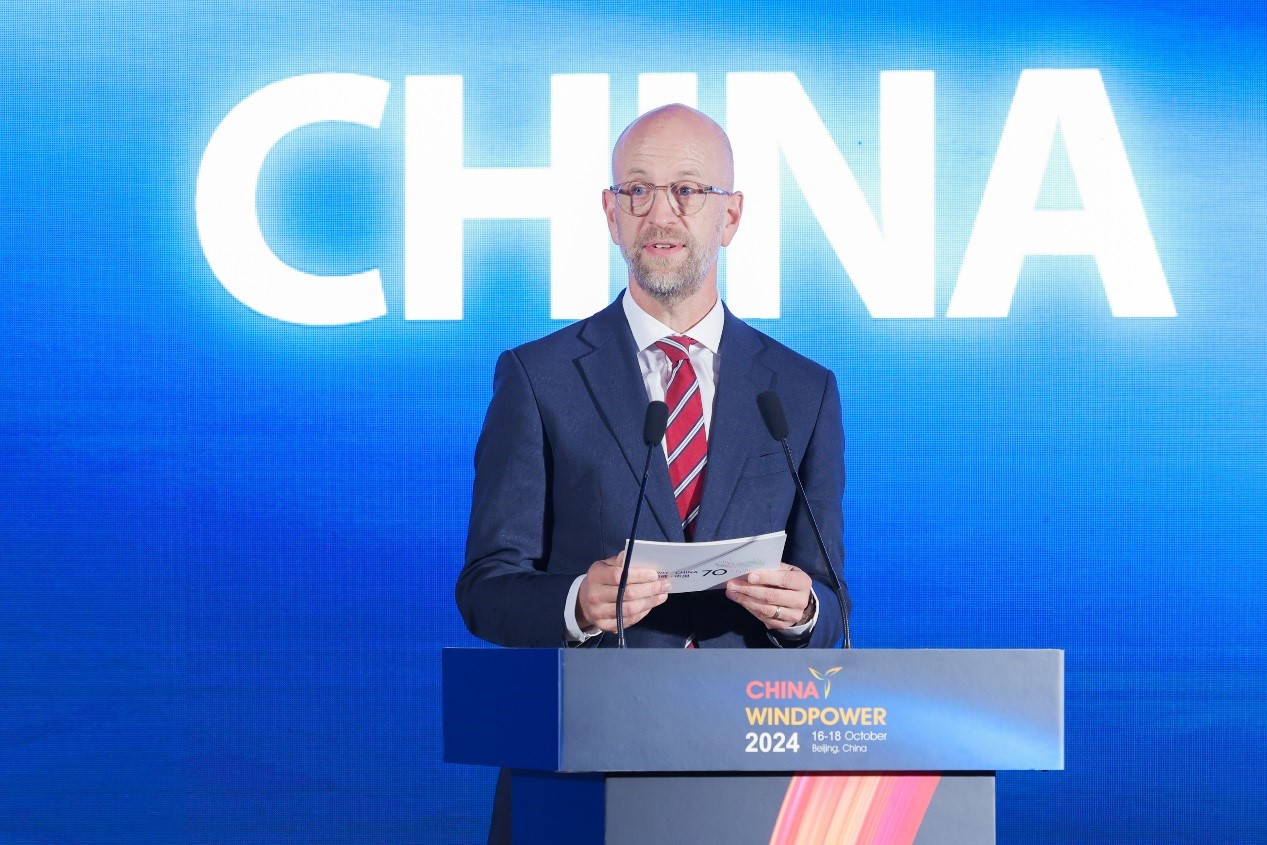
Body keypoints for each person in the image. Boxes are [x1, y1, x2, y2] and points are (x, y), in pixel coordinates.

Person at [455, 104, 849, 841]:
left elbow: (830, 603)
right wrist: (577, 602)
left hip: (749, 776)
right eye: (636, 190)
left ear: (731, 216)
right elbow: (486, 587)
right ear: (610, 214)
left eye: (687, 191)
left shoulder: (801, 391)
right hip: (583, 775)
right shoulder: (538, 378)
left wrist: (802, 611)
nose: (660, 214)